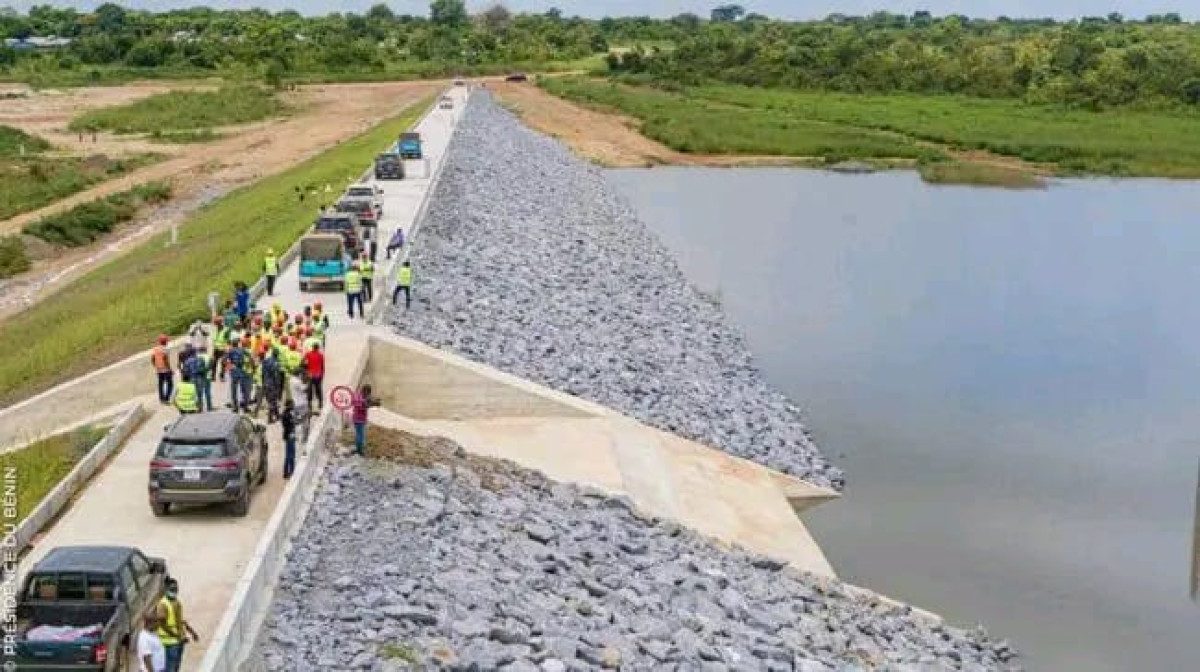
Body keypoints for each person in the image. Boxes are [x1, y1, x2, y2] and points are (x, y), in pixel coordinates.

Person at [157, 578, 199, 672]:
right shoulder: (163, 604)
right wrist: (176, 635)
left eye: (176, 589)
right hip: (169, 642)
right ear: (166, 589)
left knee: (176, 666)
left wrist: (191, 631)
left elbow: (180, 620)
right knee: (170, 667)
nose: (174, 591)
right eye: (172, 589)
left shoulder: (176, 602)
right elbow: (163, 624)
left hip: (178, 641)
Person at [351, 384, 380, 456]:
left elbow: (367, 402)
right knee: (360, 435)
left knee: (359, 434)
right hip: (359, 420)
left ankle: (359, 448)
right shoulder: (362, 400)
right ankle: (359, 450)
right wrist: (375, 403)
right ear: (366, 392)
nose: (368, 395)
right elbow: (366, 405)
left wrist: (373, 402)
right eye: (368, 393)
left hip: (357, 419)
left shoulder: (358, 396)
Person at [226, 339, 250, 412]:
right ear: (238, 344)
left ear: (232, 345)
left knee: (234, 390)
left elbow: (225, 360)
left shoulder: (230, 351)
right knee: (244, 390)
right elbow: (250, 357)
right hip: (242, 371)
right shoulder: (242, 350)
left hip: (234, 372)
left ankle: (235, 407)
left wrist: (229, 367)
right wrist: (250, 365)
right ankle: (245, 407)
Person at [288, 369, 311, 443]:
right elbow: (304, 389)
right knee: (305, 420)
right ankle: (304, 438)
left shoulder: (291, 380)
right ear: (299, 374)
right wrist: (308, 382)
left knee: (295, 421)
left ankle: (293, 436)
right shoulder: (297, 382)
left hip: (295, 403)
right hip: (302, 403)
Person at [152, 335, 173, 405]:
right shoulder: (165, 349)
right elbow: (165, 360)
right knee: (170, 384)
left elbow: (152, 359)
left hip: (158, 370)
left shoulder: (155, 349)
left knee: (161, 384)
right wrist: (170, 369)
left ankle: (161, 399)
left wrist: (156, 366)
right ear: (164, 342)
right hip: (166, 370)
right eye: (166, 341)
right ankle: (166, 399)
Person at [303, 343, 324, 411]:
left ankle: (309, 404)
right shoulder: (320, 355)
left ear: (312, 347)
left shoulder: (308, 354)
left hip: (310, 374)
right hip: (318, 374)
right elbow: (322, 366)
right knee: (318, 389)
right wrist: (322, 374)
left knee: (310, 390)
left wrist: (306, 370)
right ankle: (320, 403)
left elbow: (304, 363)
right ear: (318, 348)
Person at [281, 398, 297, 479]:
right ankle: (290, 472)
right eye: (292, 404)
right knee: (290, 455)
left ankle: (288, 472)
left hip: (290, 436)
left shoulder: (288, 413)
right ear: (289, 405)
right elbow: (289, 425)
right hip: (289, 436)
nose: (293, 405)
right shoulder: (286, 415)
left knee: (290, 455)